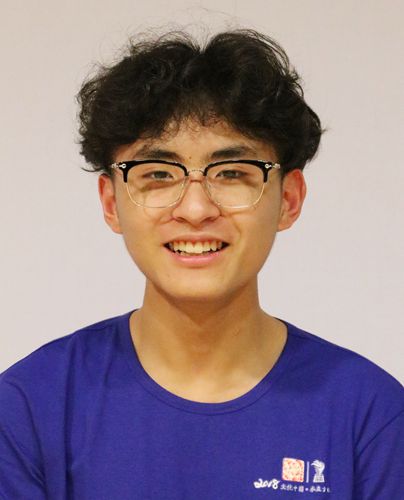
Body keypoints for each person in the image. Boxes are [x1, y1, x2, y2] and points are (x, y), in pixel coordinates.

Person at [0, 28, 403, 499]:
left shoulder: (370, 416)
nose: (195, 209)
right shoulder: (30, 408)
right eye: (158, 174)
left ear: (289, 199)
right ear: (111, 203)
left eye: (231, 172)